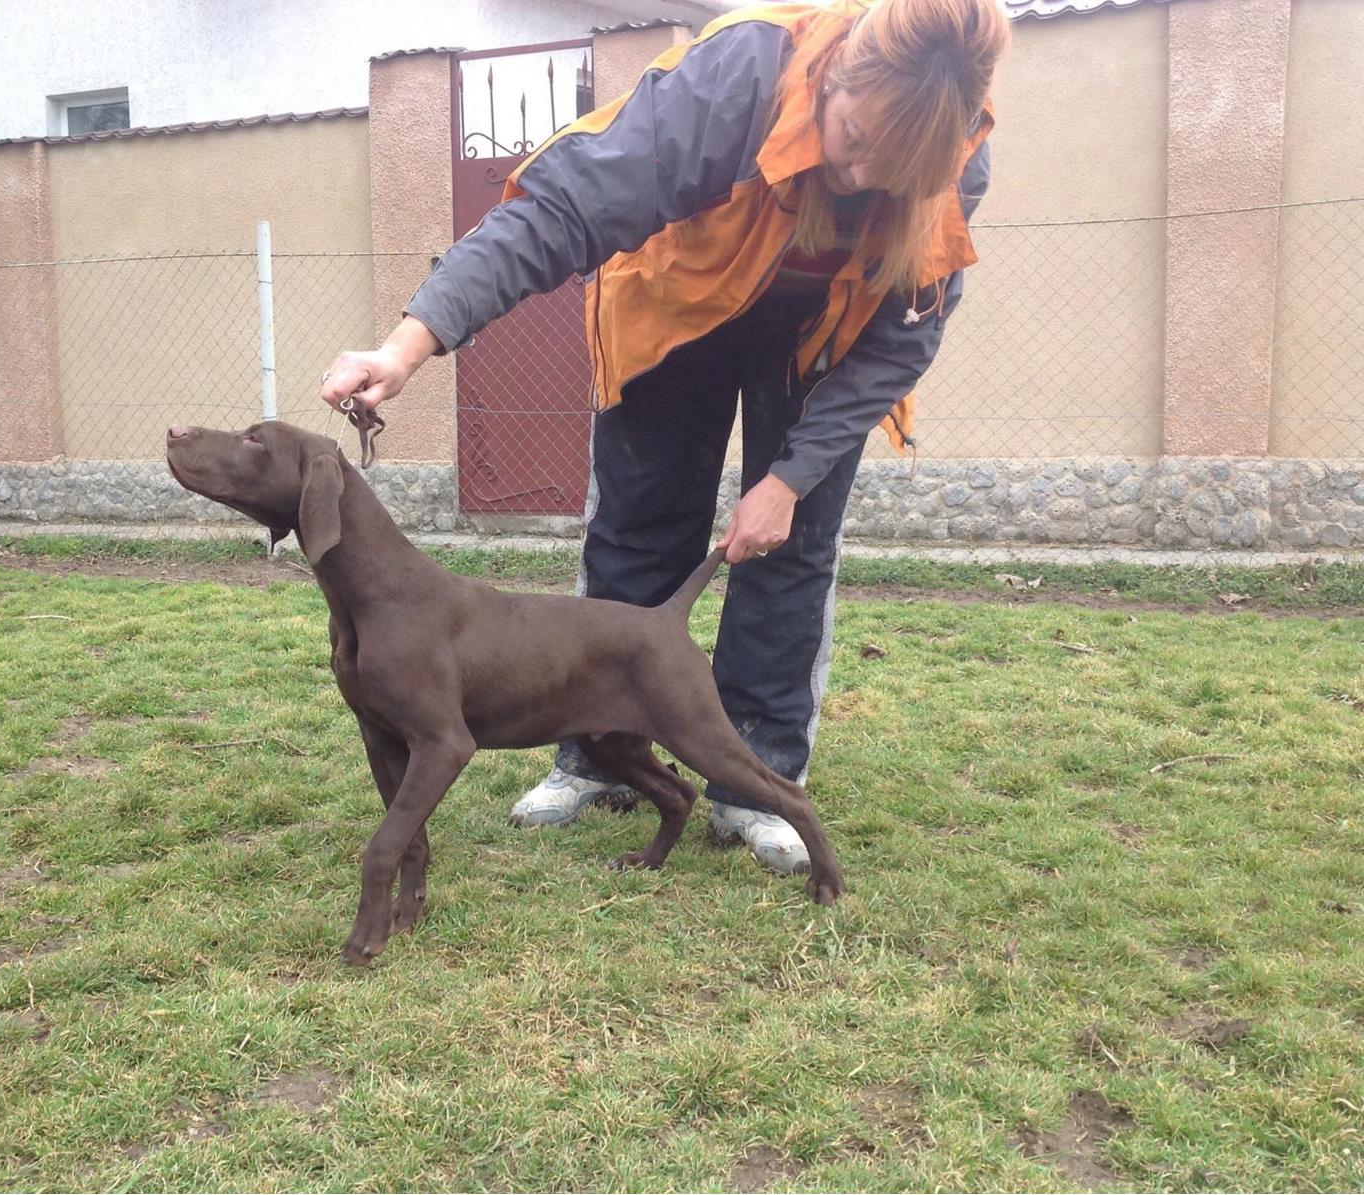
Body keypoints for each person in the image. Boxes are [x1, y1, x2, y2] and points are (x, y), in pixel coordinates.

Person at [320, 0, 1009, 877]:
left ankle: (758, 780)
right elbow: (562, 208)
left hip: (824, 339)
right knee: (640, 527)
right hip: (677, 306)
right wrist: (411, 343)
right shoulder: (739, 76)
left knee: (790, 550)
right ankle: (594, 757)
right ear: (837, 77)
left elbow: (904, 338)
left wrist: (789, 480)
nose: (861, 177)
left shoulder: (956, 152)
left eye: (892, 174)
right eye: (854, 138)